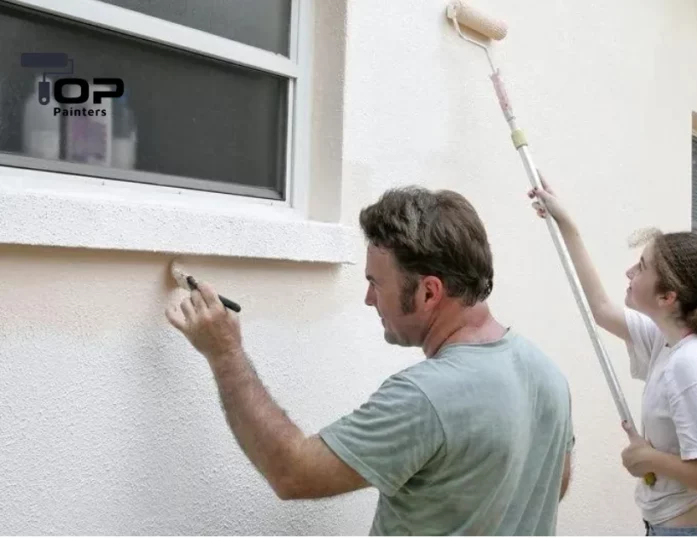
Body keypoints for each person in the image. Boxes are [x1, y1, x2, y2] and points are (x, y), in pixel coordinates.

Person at [166, 186, 575, 535]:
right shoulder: (547, 375)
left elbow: (292, 471)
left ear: (429, 293)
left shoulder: (425, 398)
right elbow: (554, 482)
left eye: (375, 283)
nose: (368, 299)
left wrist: (225, 352)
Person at [528, 176, 697, 536]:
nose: (630, 273)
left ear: (668, 297)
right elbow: (602, 309)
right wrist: (566, 224)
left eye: (642, 267)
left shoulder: (691, 365)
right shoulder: (669, 340)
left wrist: (650, 460)